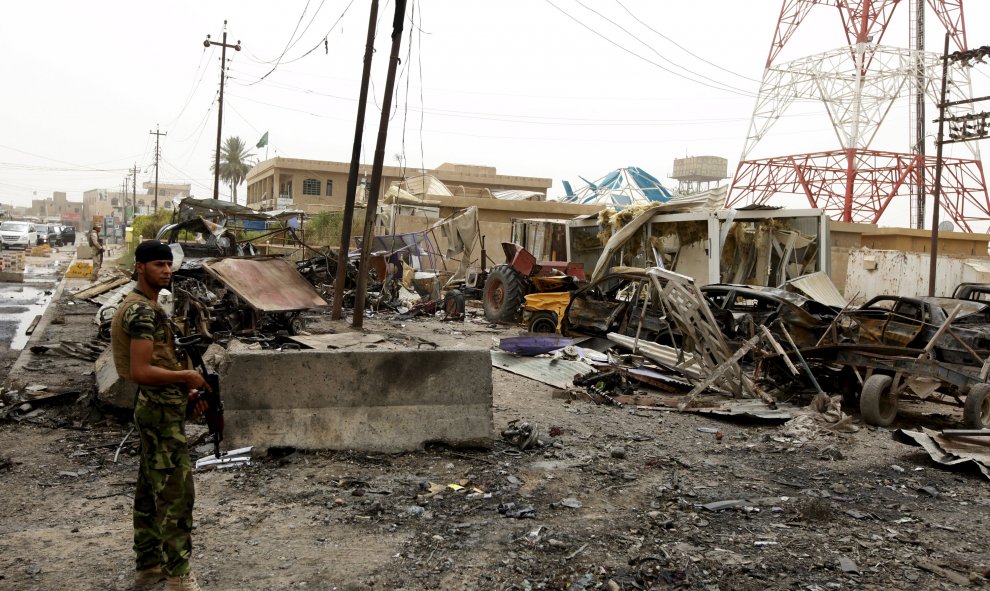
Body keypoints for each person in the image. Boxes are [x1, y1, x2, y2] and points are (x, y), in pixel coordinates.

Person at [110, 240, 210, 591]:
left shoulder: (149, 306)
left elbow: (163, 359)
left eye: (169, 264)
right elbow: (141, 369)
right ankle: (178, 576)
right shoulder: (141, 311)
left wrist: (188, 390)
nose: (166, 271)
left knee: (150, 488)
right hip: (158, 411)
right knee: (176, 493)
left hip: (162, 407)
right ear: (140, 267)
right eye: (158, 265)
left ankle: (149, 566)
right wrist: (186, 378)